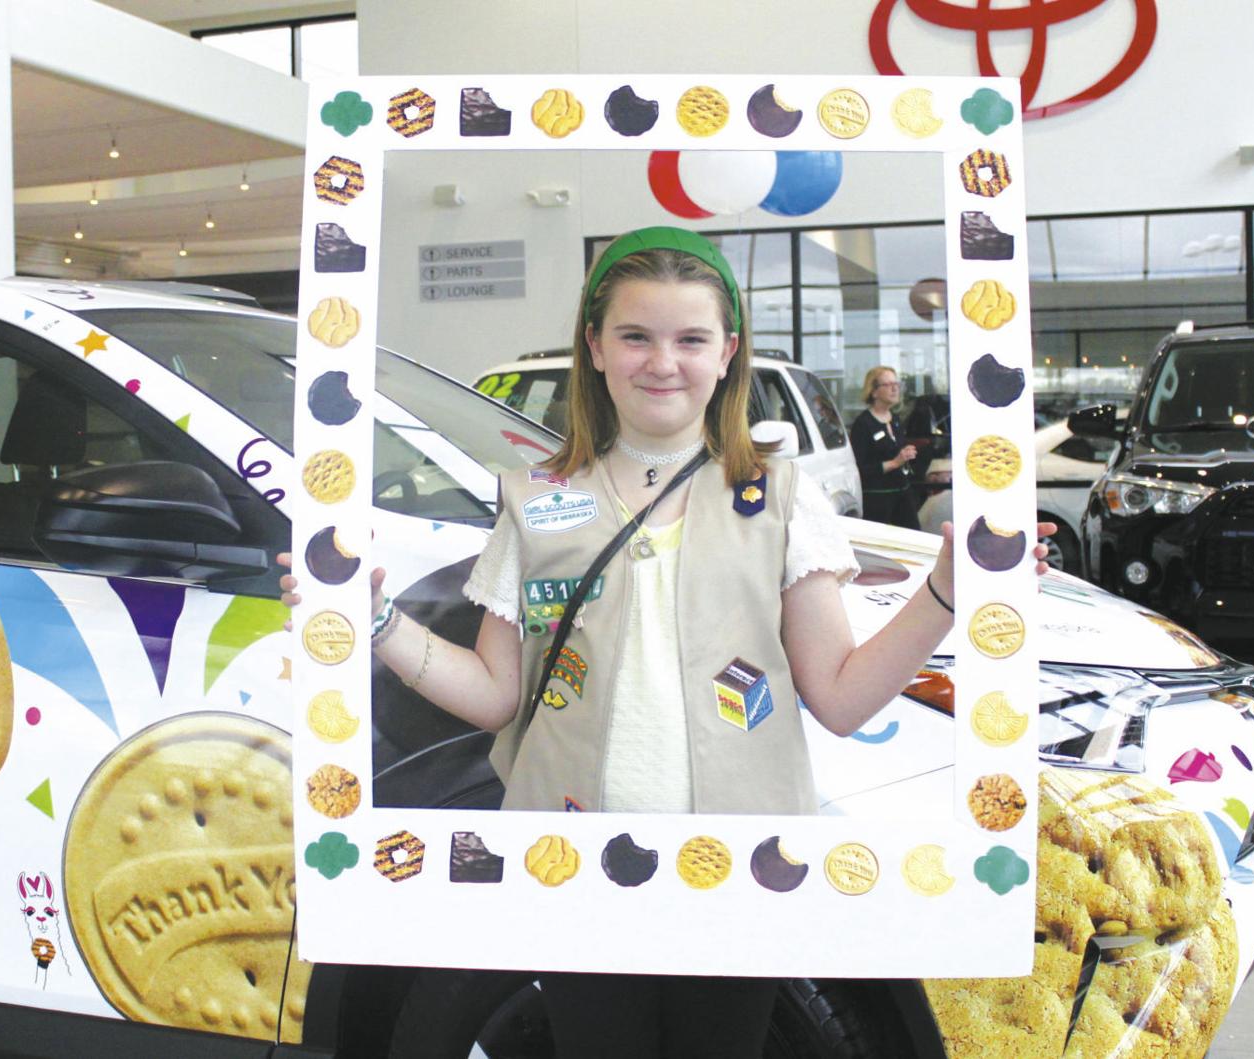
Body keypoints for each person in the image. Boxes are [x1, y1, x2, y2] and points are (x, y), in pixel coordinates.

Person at [279, 226, 1050, 1059]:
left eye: (691, 339)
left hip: (742, 872)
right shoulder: (537, 503)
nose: (663, 361)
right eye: (636, 336)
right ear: (596, 348)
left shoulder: (779, 500)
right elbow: (495, 695)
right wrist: (376, 621)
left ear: (728, 354)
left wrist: (948, 593)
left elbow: (840, 695)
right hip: (570, 866)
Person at [849, 366, 924, 529]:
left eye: (896, 383)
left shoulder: (895, 419)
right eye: (888, 384)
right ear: (874, 391)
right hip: (877, 500)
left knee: (912, 539)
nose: (894, 388)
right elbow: (860, 469)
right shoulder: (863, 424)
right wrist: (894, 463)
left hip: (902, 493)